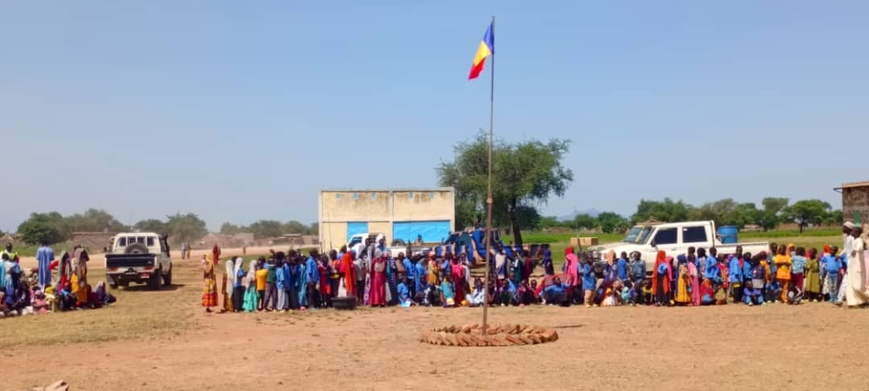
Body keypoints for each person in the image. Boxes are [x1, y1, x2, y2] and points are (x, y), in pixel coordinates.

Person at [845, 226, 868, 307]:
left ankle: (865, 298)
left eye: (853, 231)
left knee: (857, 285)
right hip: (852, 265)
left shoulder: (859, 240)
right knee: (851, 284)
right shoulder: (853, 240)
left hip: (858, 266)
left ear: (857, 233)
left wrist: (855, 250)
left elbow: (860, 247)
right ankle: (855, 302)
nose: (852, 232)